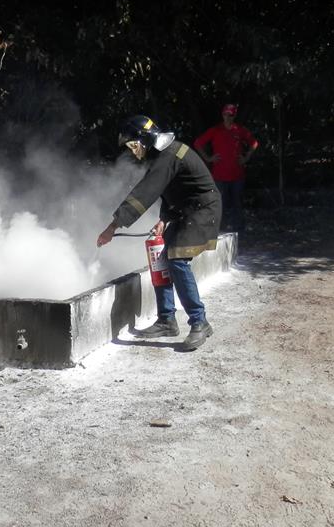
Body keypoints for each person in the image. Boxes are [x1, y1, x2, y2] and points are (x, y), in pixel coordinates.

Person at [97, 115, 222, 351]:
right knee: (160, 258)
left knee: (177, 260)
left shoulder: (169, 155)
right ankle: (167, 320)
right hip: (186, 210)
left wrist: (113, 227)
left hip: (203, 210)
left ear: (143, 140)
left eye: (132, 145)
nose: (132, 151)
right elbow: (171, 191)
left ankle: (199, 322)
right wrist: (164, 220)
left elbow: (145, 192)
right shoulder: (164, 155)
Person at [193, 103, 259, 232]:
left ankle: (239, 231)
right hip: (219, 176)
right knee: (220, 204)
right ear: (222, 115)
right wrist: (208, 158)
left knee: (237, 204)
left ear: (234, 116)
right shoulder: (215, 130)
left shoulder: (239, 130)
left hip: (237, 176)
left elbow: (254, 143)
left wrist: (246, 157)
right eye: (226, 114)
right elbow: (197, 143)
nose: (228, 117)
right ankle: (219, 230)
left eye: (231, 115)